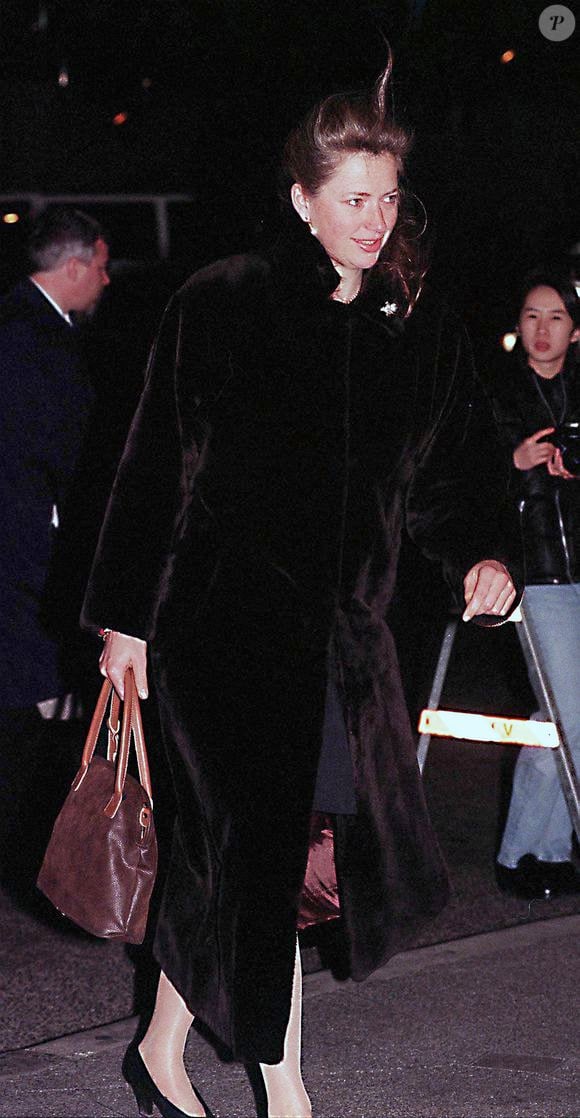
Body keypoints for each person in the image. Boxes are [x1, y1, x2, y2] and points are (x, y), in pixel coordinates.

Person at [82, 62, 517, 1118]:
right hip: (219, 634)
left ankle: (158, 1048)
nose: (372, 220)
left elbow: (448, 478)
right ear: (300, 199)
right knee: (268, 852)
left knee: (249, 855)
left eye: (385, 198)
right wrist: (125, 623)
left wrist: (476, 553)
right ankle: (287, 1091)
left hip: (345, 648)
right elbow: (152, 472)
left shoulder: (412, 334)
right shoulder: (223, 304)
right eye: (350, 197)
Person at [0, 207, 110, 880]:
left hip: (19, 546)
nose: (105, 281)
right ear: (72, 268)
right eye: (100, 267)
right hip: (25, 553)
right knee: (29, 708)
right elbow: (65, 458)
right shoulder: (40, 343)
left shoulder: (17, 326)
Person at [492, 271, 580, 900]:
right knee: (569, 712)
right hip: (535, 574)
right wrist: (515, 464)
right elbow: (452, 486)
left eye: (555, 317)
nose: (543, 329)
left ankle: (538, 849)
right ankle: (527, 850)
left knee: (557, 714)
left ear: (575, 331)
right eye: (531, 315)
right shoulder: (492, 395)